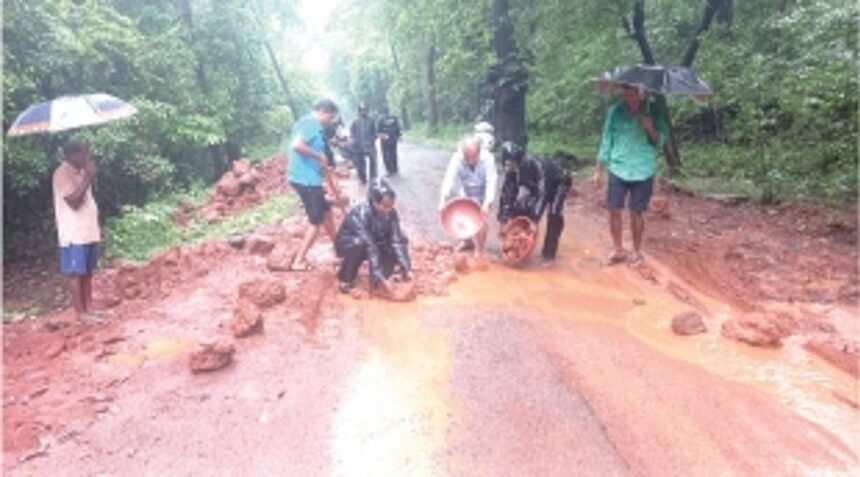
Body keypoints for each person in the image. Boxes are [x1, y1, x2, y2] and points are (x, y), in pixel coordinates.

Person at [593, 84, 668, 266]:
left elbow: (660, 141)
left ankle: (636, 251)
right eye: (627, 94)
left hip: (643, 169)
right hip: (618, 166)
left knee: (637, 212)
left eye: (634, 94)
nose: (630, 98)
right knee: (614, 209)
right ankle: (617, 249)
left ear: (641, 94)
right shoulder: (615, 111)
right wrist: (599, 169)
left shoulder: (654, 111)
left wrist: (650, 128)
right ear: (623, 93)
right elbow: (606, 138)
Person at [287, 99, 340, 271]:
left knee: (327, 212)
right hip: (306, 180)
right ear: (323, 112)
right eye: (330, 117)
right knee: (315, 222)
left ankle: (339, 249)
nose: (330, 121)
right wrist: (318, 157)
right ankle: (299, 261)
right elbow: (297, 145)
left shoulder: (308, 124)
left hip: (309, 178)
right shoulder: (311, 124)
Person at [53, 139, 102, 323]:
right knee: (76, 273)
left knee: (88, 271)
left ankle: (89, 308)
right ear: (71, 155)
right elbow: (73, 201)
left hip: (88, 230)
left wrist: (86, 177)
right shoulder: (61, 173)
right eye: (83, 153)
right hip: (74, 233)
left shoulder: (81, 172)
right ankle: (80, 313)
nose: (87, 157)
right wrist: (88, 178)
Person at [498, 141, 572, 262]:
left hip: (558, 181)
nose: (511, 167)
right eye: (508, 164)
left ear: (519, 160)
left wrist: (534, 220)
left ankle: (549, 254)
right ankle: (522, 240)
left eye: (512, 164)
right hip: (535, 184)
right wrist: (504, 219)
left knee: (554, 213)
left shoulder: (537, 165)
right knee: (521, 203)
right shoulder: (511, 169)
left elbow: (543, 192)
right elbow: (507, 194)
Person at [335, 179, 411, 295]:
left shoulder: (391, 213)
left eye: (391, 206)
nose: (388, 210)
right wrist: (379, 275)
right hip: (351, 243)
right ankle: (346, 279)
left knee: (402, 237)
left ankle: (382, 277)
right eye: (384, 206)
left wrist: (406, 267)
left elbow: (397, 240)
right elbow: (370, 245)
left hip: (375, 240)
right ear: (374, 202)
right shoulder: (359, 215)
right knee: (359, 243)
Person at [438, 135, 498, 258]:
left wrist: (487, 204)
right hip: (467, 192)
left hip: (483, 193)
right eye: (467, 157)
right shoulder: (457, 158)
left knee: (482, 221)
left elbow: (491, 183)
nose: (470, 161)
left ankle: (479, 248)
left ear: (479, 152)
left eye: (473, 157)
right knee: (463, 217)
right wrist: (443, 199)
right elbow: (449, 178)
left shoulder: (488, 159)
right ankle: (466, 242)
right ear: (463, 153)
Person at [349, 102, 378, 184]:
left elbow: (375, 132)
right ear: (359, 111)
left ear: (367, 110)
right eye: (362, 110)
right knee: (360, 164)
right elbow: (352, 133)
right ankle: (362, 178)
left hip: (370, 145)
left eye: (365, 110)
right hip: (358, 146)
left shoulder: (371, 121)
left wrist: (372, 139)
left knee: (373, 161)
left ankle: (373, 178)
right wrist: (353, 140)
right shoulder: (355, 122)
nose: (363, 112)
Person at [376, 107, 402, 175]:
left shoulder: (381, 119)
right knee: (393, 154)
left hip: (386, 141)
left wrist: (381, 135)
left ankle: (390, 170)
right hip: (392, 139)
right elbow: (398, 128)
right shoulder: (393, 118)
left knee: (387, 155)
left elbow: (378, 130)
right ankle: (394, 168)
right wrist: (399, 135)